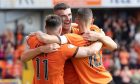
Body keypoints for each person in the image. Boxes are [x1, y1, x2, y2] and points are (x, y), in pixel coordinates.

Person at [29, 8, 117, 84]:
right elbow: (114, 46)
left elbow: (47, 39)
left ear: (76, 20)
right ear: (92, 20)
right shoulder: (96, 30)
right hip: (106, 79)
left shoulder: (72, 38)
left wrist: (38, 33)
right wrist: (101, 37)